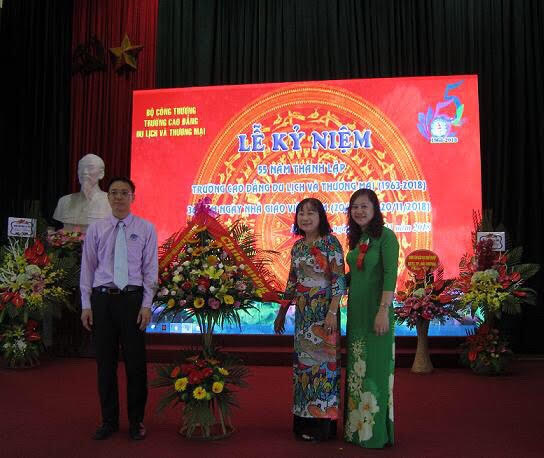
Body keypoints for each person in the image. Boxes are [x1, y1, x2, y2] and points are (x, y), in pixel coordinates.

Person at [80, 177, 158, 441]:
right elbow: (88, 268)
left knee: (136, 364)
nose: (119, 197)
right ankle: (109, 421)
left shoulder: (146, 228)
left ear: (133, 197)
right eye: (114, 192)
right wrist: (86, 304)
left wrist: (147, 305)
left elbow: (150, 270)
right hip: (102, 300)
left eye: (124, 193)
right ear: (108, 197)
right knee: (105, 365)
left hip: (132, 301)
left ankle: (136, 421)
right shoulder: (96, 229)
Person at [274, 198, 346, 442]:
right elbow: (292, 282)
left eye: (311, 213)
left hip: (325, 315)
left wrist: (332, 313)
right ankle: (303, 421)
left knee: (325, 369)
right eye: (301, 213)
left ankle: (323, 427)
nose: (305, 218)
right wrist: (282, 312)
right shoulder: (298, 247)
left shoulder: (330, 243)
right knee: (304, 369)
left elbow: (339, 281)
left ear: (321, 217)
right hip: (304, 317)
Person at [343, 189, 399, 448]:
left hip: (378, 314)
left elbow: (389, 275)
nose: (359, 211)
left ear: (375, 209)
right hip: (356, 314)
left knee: (375, 370)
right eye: (355, 207)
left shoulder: (386, 237)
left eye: (364, 206)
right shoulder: (357, 239)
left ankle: (375, 435)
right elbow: (354, 275)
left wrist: (383, 310)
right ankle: (356, 431)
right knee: (357, 370)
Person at [53, 154, 111, 231]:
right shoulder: (64, 201)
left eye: (90, 168)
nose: (84, 172)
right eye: (81, 168)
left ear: (101, 174)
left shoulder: (111, 202)